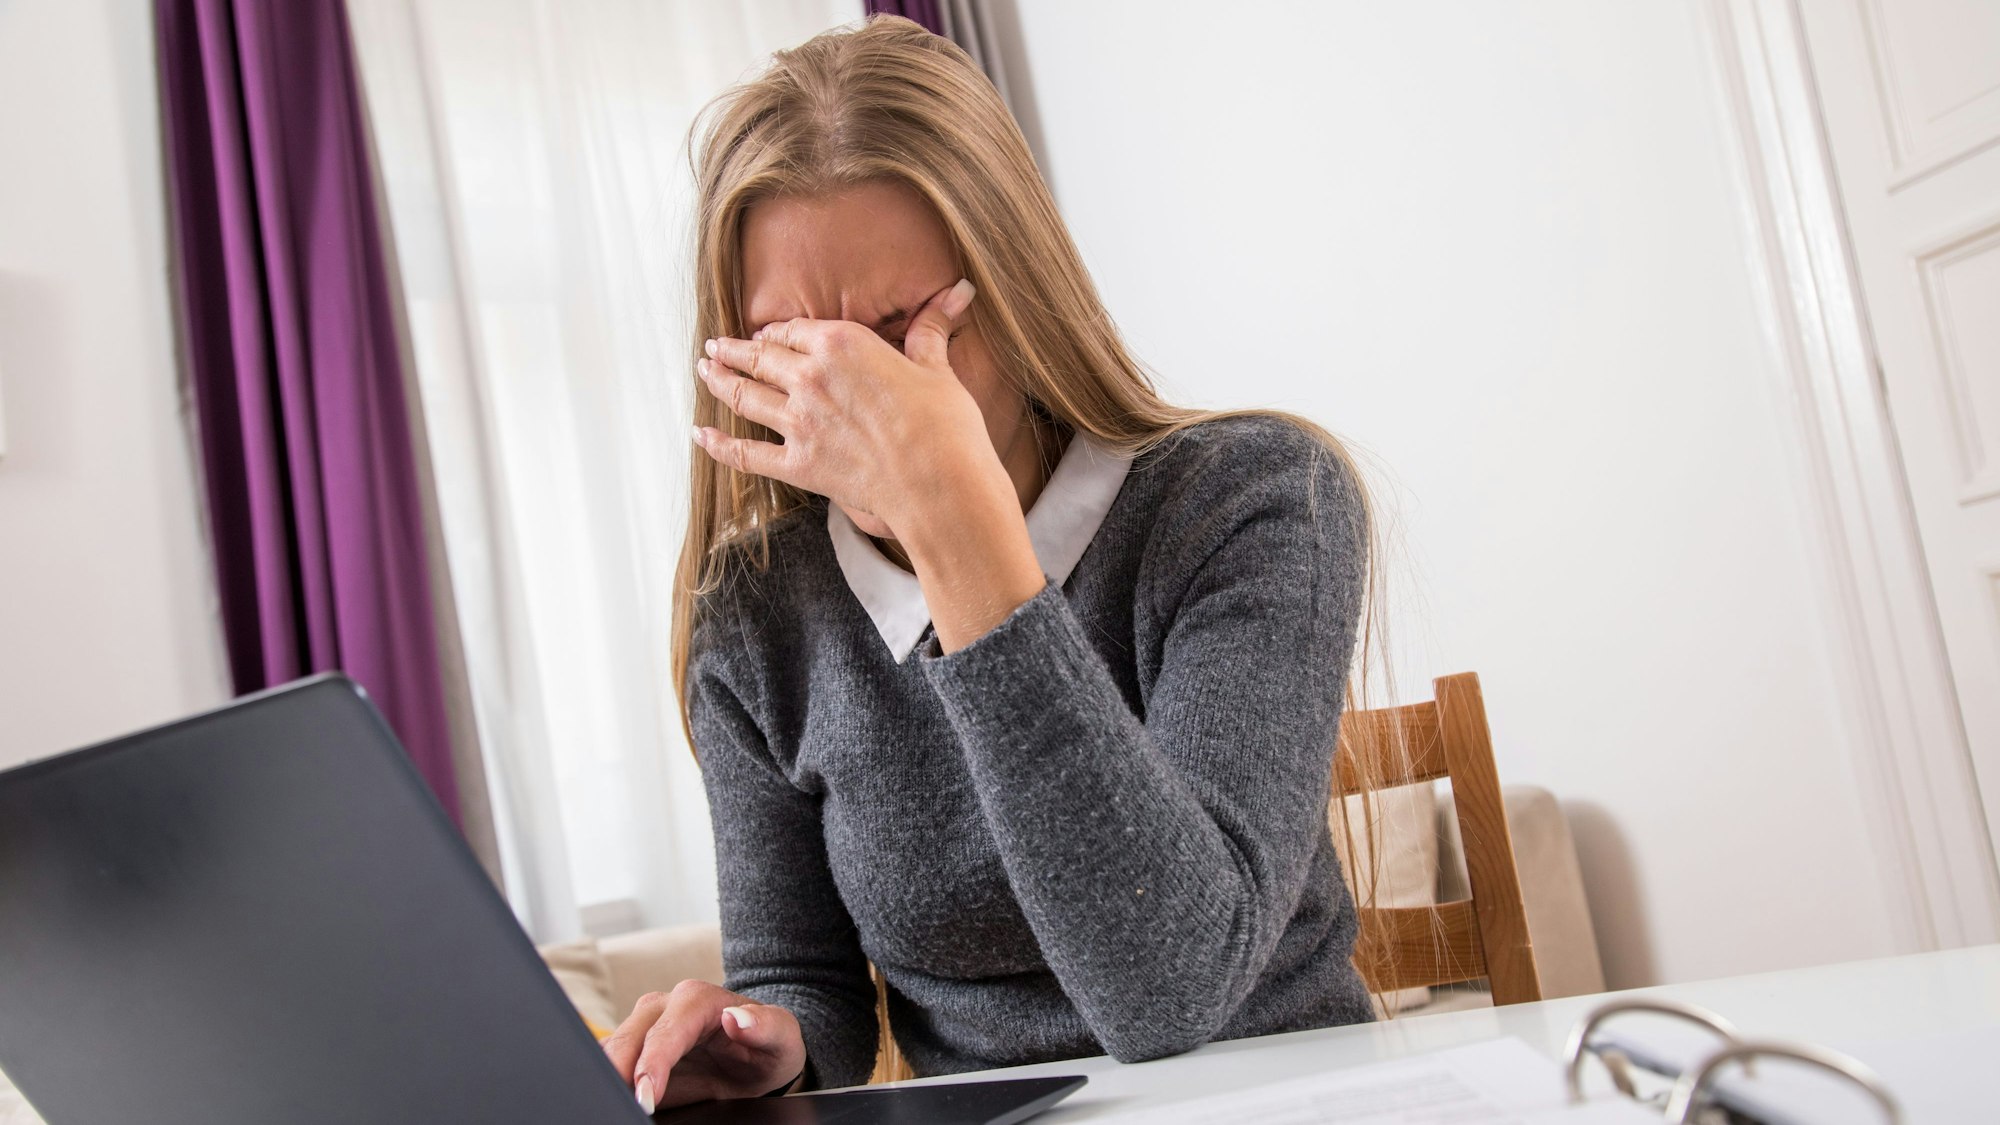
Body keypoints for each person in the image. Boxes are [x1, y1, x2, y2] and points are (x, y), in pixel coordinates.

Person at [601, 13, 1389, 1114]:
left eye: (901, 330)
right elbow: (803, 980)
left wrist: (956, 531)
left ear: (1015, 290)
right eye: (794, 351)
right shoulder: (752, 619)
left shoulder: (1252, 499)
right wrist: (765, 1039)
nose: (855, 398)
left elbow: (1169, 989)